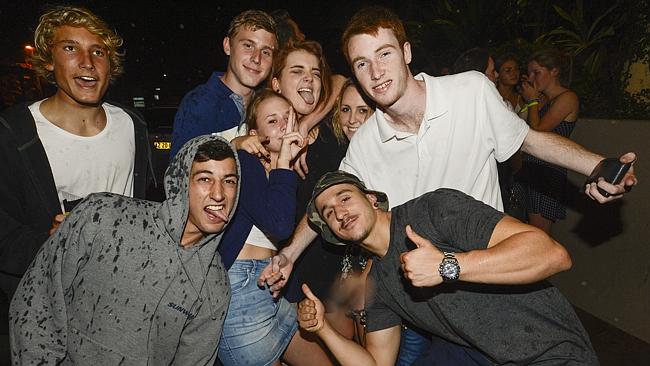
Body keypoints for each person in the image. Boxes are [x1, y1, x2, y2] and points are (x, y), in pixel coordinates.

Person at [258, 5, 637, 363]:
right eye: (362, 63)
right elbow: (331, 202)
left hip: (499, 285)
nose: (376, 72)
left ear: (406, 52)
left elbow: (529, 140)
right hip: (428, 306)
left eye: (385, 54)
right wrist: (288, 256)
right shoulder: (366, 144)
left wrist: (598, 165)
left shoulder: (468, 91)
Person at [298, 171, 599, 365]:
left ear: (373, 200)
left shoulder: (431, 211)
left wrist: (447, 266)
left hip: (553, 352)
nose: (340, 212)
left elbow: (553, 255)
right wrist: (323, 329)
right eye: (329, 212)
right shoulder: (378, 284)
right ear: (334, 234)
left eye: (345, 198)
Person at [10, 135, 240, 364]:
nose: (219, 194)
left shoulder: (214, 284)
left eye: (229, 181)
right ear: (179, 182)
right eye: (204, 179)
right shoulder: (103, 216)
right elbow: (38, 299)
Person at [0, 6, 153, 301]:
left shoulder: (132, 125)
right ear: (48, 62)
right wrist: (49, 243)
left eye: (98, 52)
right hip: (48, 302)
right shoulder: (14, 133)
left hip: (122, 294)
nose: (87, 63)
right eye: (70, 48)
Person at [216, 90, 310, 366]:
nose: (282, 125)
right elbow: (279, 225)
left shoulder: (292, 165)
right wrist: (282, 162)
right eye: (272, 121)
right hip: (243, 288)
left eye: (287, 117)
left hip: (271, 286)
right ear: (255, 133)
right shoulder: (245, 162)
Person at [284, 78, 375, 342]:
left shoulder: (389, 151)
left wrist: (369, 271)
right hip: (349, 267)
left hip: (386, 271)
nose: (352, 119)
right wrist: (288, 256)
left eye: (362, 110)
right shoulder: (348, 158)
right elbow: (319, 213)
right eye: (345, 110)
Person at [170, 10, 277, 158]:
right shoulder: (199, 104)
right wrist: (232, 147)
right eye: (248, 45)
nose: (256, 58)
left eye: (265, 52)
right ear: (228, 46)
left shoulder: (268, 104)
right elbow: (179, 171)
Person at [516, 48, 580, 234]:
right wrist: (531, 102)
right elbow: (520, 125)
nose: (532, 78)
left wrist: (533, 101)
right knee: (526, 230)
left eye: (537, 72)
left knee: (539, 232)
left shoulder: (568, 98)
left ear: (554, 71)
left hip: (547, 170)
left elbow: (538, 130)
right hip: (529, 166)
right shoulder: (541, 99)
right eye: (529, 73)